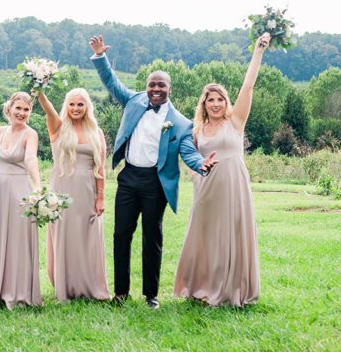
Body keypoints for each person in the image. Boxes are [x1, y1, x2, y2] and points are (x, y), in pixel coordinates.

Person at [89, 36, 217, 309]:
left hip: (155, 184)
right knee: (121, 235)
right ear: (146, 87)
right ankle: (121, 293)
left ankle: (151, 296)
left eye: (161, 85)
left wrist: (200, 164)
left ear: (170, 88)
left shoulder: (181, 123)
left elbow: (188, 152)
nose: (155, 89)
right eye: (151, 84)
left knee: (152, 237)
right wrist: (100, 57)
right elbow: (111, 83)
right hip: (128, 177)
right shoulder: (133, 101)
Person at [175, 33, 270, 307]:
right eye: (210, 100)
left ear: (226, 102)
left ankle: (232, 288)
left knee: (233, 232)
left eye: (219, 99)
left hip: (234, 184)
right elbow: (190, 157)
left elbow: (248, 85)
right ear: (203, 104)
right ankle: (204, 287)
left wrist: (258, 52)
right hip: (206, 189)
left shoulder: (236, 122)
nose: (215, 103)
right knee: (208, 236)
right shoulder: (196, 131)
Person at [36, 87, 111, 301]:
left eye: (80, 104)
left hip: (88, 190)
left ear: (87, 106)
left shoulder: (96, 132)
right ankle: (66, 287)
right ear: (66, 106)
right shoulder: (58, 127)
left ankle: (90, 287)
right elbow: (49, 111)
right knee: (65, 237)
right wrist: (40, 91)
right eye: (71, 104)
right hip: (62, 189)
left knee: (88, 238)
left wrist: (100, 196)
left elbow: (101, 167)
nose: (76, 108)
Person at [0, 92, 42, 308]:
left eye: (26, 110)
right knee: (1, 239)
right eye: (18, 108)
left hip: (20, 192)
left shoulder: (30, 134)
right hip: (1, 191)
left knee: (18, 242)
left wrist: (38, 186)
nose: (22, 113)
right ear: (9, 108)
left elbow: (31, 158)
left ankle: (19, 292)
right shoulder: (1, 131)